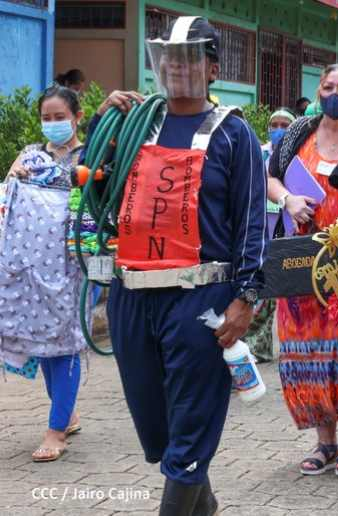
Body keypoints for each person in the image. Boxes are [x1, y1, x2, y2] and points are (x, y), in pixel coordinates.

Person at [90, 16, 266, 514]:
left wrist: (245, 298)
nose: (177, 66)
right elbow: (99, 198)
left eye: (190, 57)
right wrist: (103, 131)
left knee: (189, 436)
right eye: (169, 56)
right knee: (160, 434)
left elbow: (252, 221)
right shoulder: (133, 125)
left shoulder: (234, 133)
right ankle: (203, 504)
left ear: (213, 68)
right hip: (132, 295)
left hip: (200, 299)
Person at [268, 63, 338, 478]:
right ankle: (323, 441)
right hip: (298, 259)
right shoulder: (299, 133)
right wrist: (289, 198)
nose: (335, 93)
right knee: (302, 346)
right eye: (328, 86)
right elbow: (270, 177)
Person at [2, 85, 86, 462]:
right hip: (33, 267)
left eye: (59, 117)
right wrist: (16, 174)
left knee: (65, 338)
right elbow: (8, 196)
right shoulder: (30, 156)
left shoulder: (90, 156)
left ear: (77, 117)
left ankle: (56, 431)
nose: (52, 124)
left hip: (73, 262)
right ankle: (64, 412)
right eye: (46, 118)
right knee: (46, 340)